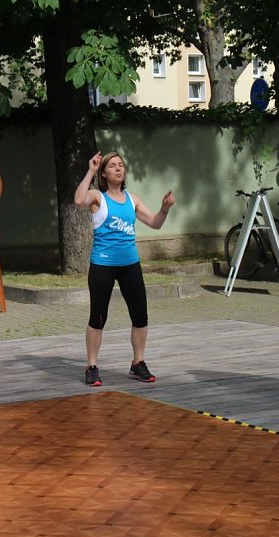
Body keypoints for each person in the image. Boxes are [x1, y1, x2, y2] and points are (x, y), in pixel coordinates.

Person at [73, 152, 175, 387]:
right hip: (103, 265)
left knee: (140, 316)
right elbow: (78, 200)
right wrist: (90, 170)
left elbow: (155, 223)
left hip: (130, 264)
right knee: (98, 317)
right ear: (104, 173)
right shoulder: (98, 196)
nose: (119, 169)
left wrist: (165, 208)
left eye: (121, 165)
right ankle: (91, 365)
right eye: (113, 166)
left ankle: (137, 363)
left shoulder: (132, 199)